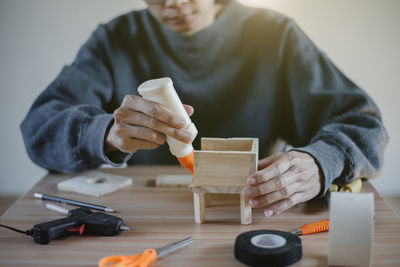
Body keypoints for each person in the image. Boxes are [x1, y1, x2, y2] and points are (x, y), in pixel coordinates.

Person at [21, 0, 388, 217]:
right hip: (146, 214)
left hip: (256, 207)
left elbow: (364, 125)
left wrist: (319, 163)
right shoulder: (116, 38)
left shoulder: (275, 35)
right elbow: (39, 127)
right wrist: (106, 134)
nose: (175, 5)